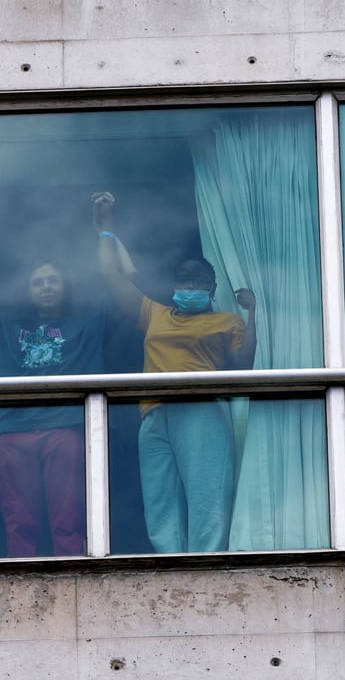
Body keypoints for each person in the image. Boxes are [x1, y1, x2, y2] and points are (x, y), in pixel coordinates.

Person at [0, 201, 111, 558]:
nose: (46, 287)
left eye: (52, 280)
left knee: (69, 523)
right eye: (38, 282)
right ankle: (21, 590)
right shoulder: (5, 326)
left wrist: (104, 231)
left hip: (65, 428)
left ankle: (75, 583)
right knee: (19, 525)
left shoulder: (86, 323)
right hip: (13, 433)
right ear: (29, 290)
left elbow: (113, 278)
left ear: (64, 286)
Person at [93, 190, 257, 553]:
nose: (191, 285)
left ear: (212, 288)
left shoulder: (225, 321)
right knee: (159, 501)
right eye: (184, 280)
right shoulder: (155, 313)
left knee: (206, 498)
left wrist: (253, 313)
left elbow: (245, 365)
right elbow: (111, 275)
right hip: (153, 414)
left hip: (201, 411)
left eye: (199, 281)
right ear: (175, 285)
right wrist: (105, 228)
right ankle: (169, 562)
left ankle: (207, 565)